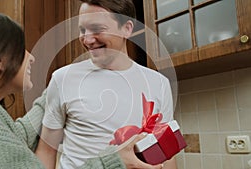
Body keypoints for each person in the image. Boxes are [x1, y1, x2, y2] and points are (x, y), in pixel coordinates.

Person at [0, 11, 163, 169]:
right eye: (22, 49)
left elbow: (19, 134)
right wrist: (113, 161)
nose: (31, 57)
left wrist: (61, 84)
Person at [36, 0, 177, 169]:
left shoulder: (159, 84)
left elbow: (167, 154)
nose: (87, 39)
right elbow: (46, 151)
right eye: (82, 30)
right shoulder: (62, 79)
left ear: (127, 28)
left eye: (97, 29)